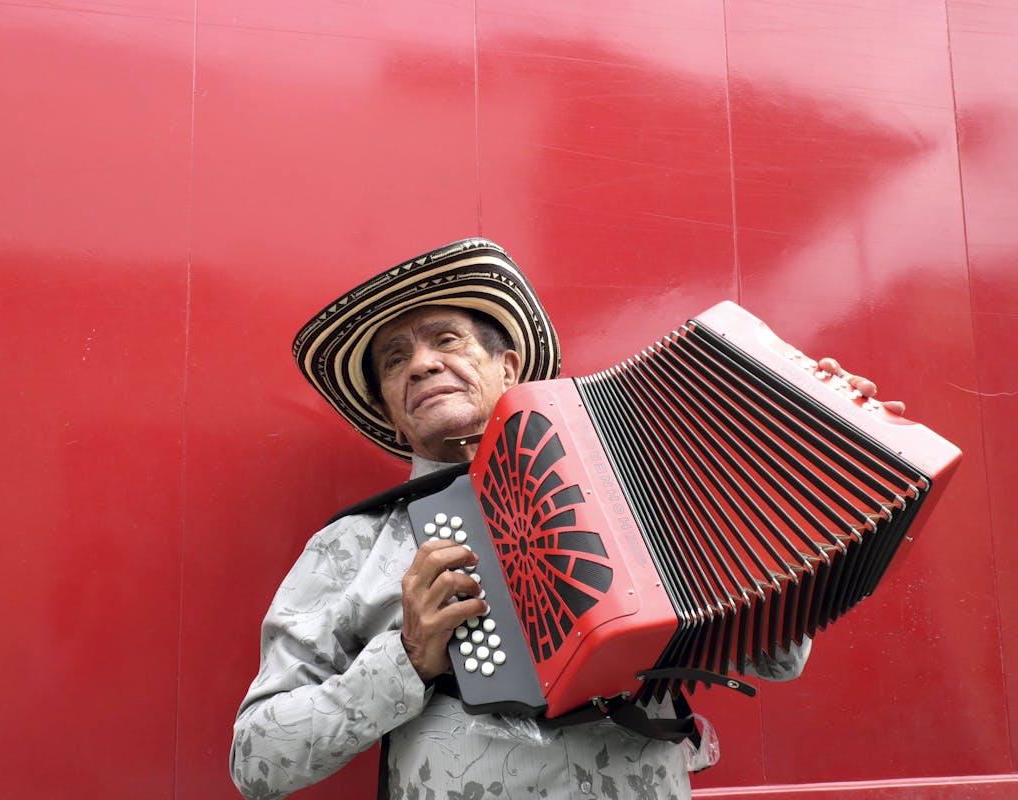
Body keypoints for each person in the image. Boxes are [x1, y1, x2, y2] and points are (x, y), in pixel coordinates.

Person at [230, 239, 903, 800]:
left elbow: (778, 657)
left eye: (446, 340)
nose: (423, 364)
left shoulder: (640, 489)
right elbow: (256, 761)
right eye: (395, 360)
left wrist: (810, 454)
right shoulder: (351, 546)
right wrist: (405, 660)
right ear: (390, 411)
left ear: (508, 368)